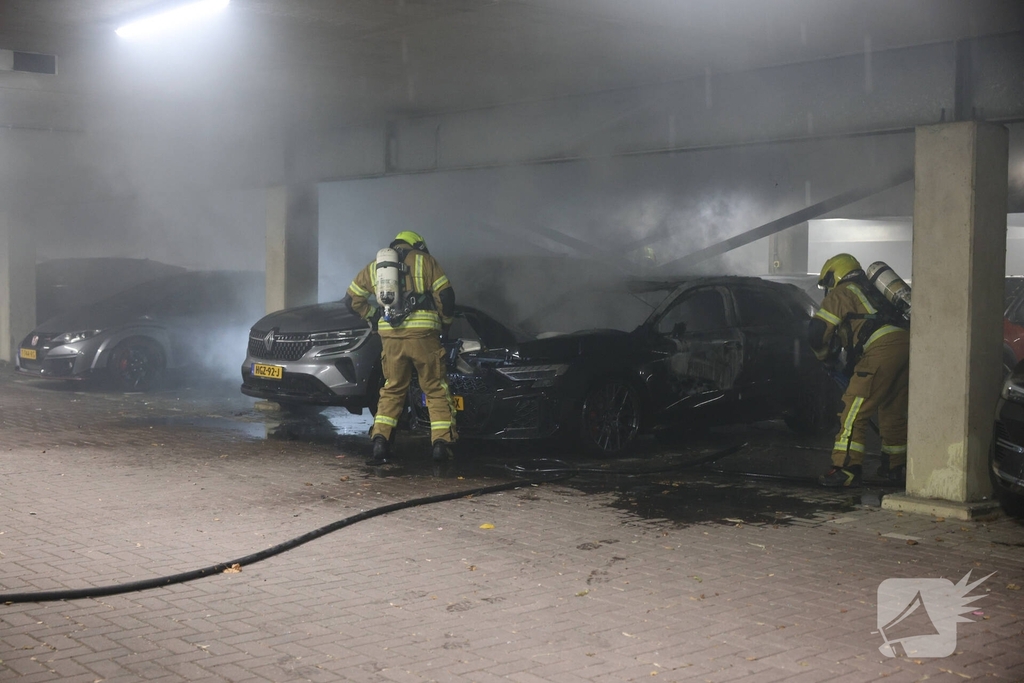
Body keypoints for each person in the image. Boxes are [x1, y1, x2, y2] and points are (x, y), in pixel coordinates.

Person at [347, 231, 458, 465]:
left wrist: (373, 315)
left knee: (392, 388)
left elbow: (352, 300)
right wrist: (445, 325)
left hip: (391, 338)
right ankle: (441, 444)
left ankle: (380, 441)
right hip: (423, 337)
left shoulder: (375, 267)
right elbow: (446, 297)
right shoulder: (425, 261)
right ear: (417, 245)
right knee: (435, 388)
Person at [809, 253, 909, 487]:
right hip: (907, 345)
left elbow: (816, 331)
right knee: (892, 409)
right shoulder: (876, 293)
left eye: (828, 282)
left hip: (882, 348)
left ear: (835, 274)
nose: (828, 288)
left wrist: (823, 357)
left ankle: (846, 468)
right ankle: (894, 467)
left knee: (853, 410)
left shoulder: (844, 292)